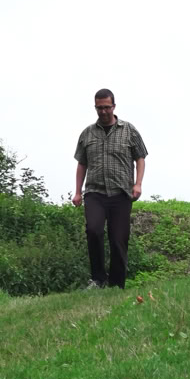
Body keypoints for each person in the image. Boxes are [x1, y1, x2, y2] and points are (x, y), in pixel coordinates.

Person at [72, 88, 148, 289]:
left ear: (114, 106)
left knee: (118, 239)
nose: (103, 111)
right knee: (94, 230)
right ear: (95, 107)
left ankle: (116, 285)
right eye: (99, 108)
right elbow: (81, 163)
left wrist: (138, 183)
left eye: (107, 107)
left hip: (121, 193)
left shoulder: (129, 131)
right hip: (95, 193)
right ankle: (98, 279)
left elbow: (140, 157)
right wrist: (78, 191)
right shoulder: (87, 133)